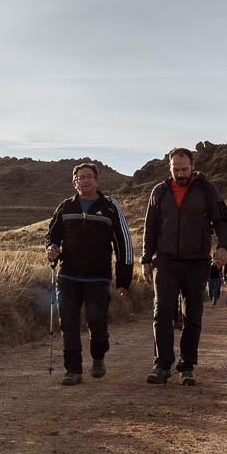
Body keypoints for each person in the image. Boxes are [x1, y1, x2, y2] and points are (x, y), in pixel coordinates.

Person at [140, 147, 227, 386]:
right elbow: (150, 227)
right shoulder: (159, 191)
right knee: (162, 311)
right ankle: (162, 366)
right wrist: (146, 259)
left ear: (193, 166)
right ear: (169, 168)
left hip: (196, 262)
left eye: (184, 169)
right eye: (176, 170)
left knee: (192, 315)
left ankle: (187, 367)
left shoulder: (207, 190)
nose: (180, 174)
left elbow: (223, 221)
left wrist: (224, 247)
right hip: (166, 261)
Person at [44, 163, 133, 384]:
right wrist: (52, 249)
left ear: (97, 180)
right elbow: (52, 235)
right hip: (68, 275)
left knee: (96, 320)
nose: (85, 181)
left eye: (89, 177)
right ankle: (73, 370)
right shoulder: (66, 207)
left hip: (98, 277)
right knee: (69, 323)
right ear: (74, 183)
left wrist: (123, 280)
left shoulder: (110, 207)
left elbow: (123, 244)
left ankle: (98, 355)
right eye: (80, 178)